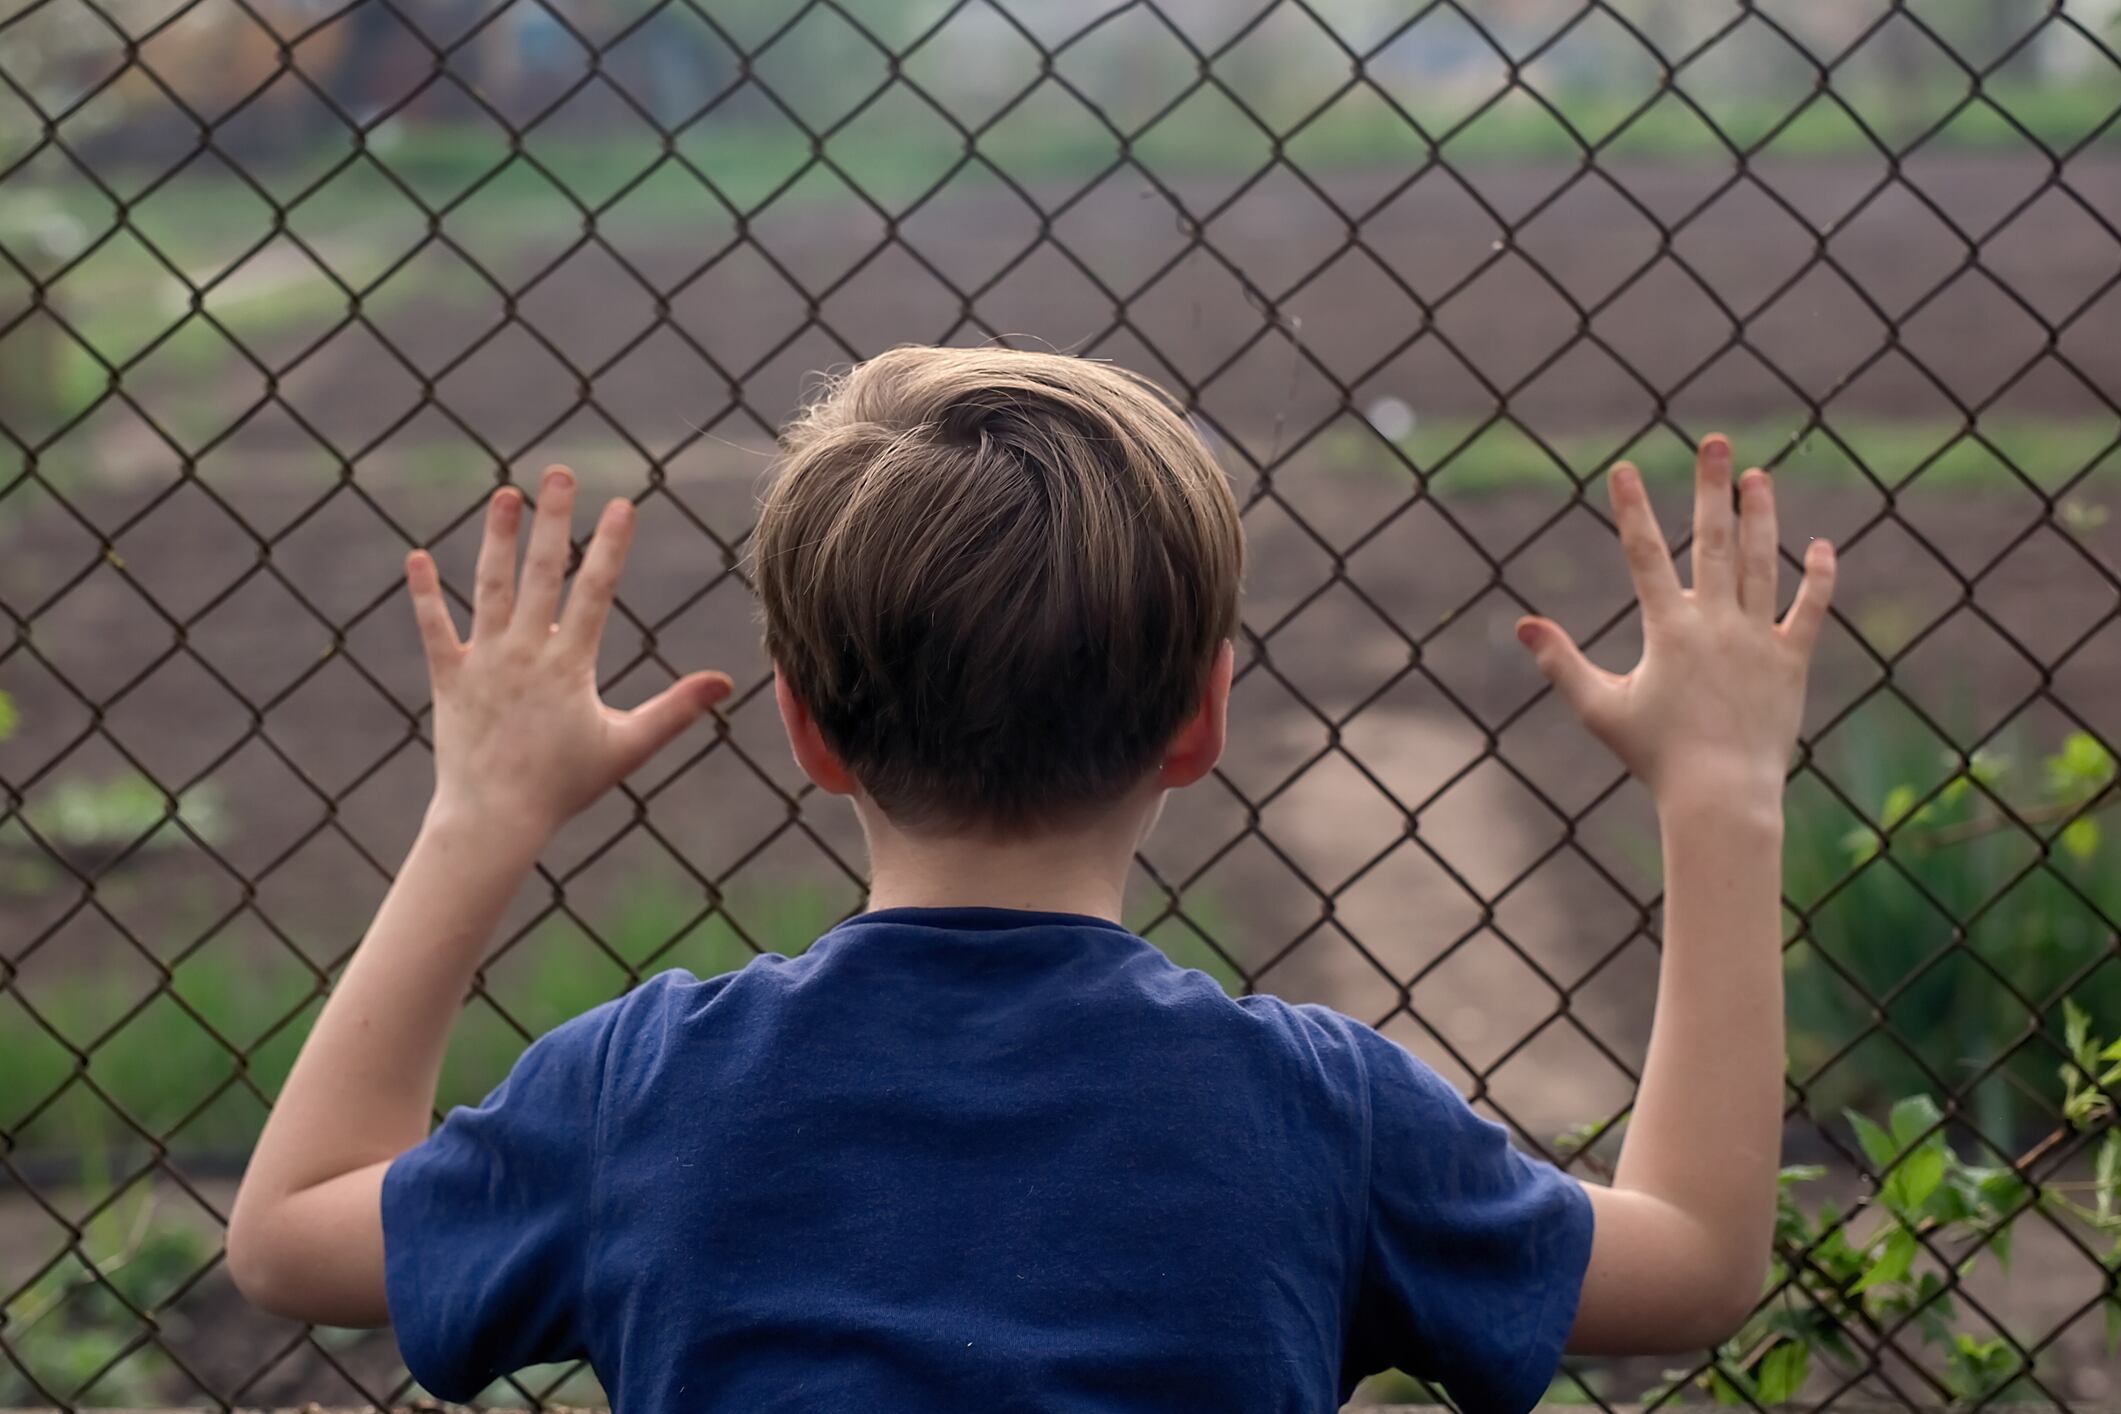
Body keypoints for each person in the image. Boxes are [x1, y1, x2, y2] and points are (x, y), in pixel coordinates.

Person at [226, 346, 1835, 1412]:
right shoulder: (1316, 1113)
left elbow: (289, 1233)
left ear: (806, 726)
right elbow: (1694, 1258)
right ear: (1200, 717)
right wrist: (1718, 792)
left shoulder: (642, 1090)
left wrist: (486, 804)